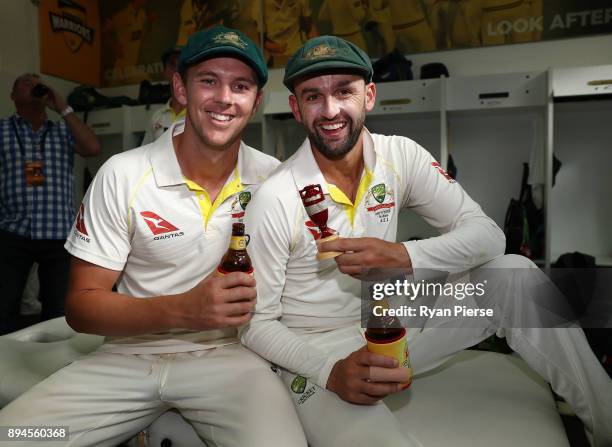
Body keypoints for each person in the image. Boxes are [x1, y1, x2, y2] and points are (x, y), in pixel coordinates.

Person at [240, 35, 612, 446]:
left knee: (514, 273)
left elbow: (489, 236)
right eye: (313, 96)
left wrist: (403, 254)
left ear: (369, 96)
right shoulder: (274, 197)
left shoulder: (401, 156)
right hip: (317, 352)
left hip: (392, 324)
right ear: (296, 108)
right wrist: (329, 370)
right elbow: (255, 325)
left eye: (344, 90)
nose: (330, 110)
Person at [0, 26, 307, 447]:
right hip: (124, 359)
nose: (223, 98)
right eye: (208, 81)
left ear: (256, 101)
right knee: (15, 436)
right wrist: (184, 310)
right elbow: (82, 306)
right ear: (180, 88)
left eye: (240, 86)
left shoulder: (274, 180)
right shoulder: (124, 174)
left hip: (228, 361)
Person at [0, 73, 100, 335]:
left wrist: (62, 107)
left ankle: (53, 365)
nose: (32, 84)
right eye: (24, 82)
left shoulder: (62, 130)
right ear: (12, 96)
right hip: (13, 231)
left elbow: (92, 147)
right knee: (4, 304)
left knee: (58, 309)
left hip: (58, 233)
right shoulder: (2, 130)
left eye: (36, 81)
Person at [141, 47, 186, 145]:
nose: (177, 69)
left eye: (181, 64)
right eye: (172, 64)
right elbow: (145, 154)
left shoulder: (199, 114)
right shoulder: (157, 117)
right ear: (165, 72)